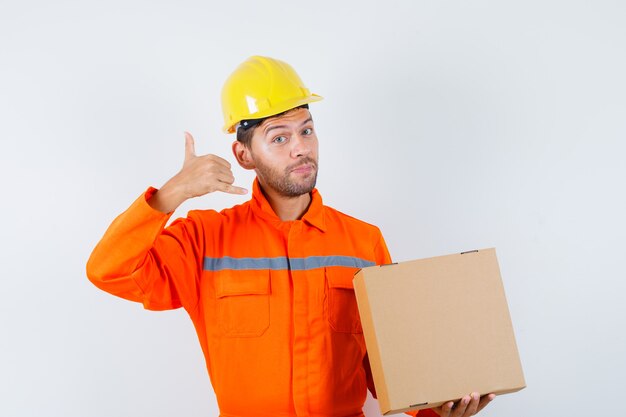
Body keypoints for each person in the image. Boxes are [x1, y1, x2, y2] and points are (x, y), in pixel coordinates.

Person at [86, 55, 495, 417]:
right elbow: (109, 270)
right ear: (244, 155)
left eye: (306, 130)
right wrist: (171, 193)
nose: (301, 148)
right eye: (279, 137)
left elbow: (390, 370)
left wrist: (439, 411)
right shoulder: (204, 240)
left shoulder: (363, 242)